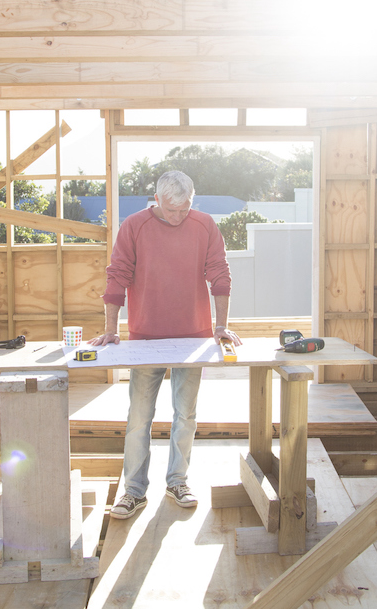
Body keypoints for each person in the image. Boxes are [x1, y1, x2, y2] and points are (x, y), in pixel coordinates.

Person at [90, 170, 242, 520]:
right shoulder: (134, 226)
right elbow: (118, 274)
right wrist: (111, 329)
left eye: (185, 208)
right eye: (172, 210)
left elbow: (220, 273)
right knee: (139, 417)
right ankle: (133, 491)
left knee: (185, 414)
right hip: (145, 336)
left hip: (193, 336)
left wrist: (221, 326)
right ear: (156, 200)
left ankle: (178, 481)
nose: (178, 217)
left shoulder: (204, 225)